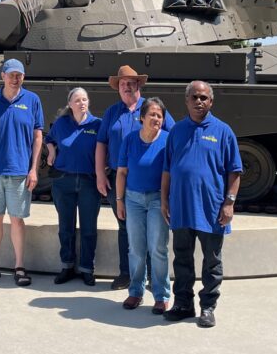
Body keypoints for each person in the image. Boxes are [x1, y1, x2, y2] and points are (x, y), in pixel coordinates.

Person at [162, 80, 242, 328]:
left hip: (211, 209)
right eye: (194, 97)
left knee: (212, 261)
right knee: (182, 259)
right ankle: (183, 304)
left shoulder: (223, 131)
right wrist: (164, 199)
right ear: (186, 100)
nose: (199, 101)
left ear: (211, 101)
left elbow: (235, 171)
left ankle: (208, 306)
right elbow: (167, 169)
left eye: (204, 98)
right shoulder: (176, 131)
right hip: (181, 207)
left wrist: (229, 203)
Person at [96, 65, 175, 290]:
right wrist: (100, 173)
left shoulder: (153, 108)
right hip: (120, 180)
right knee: (126, 228)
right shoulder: (113, 112)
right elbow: (101, 142)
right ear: (118, 88)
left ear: (138, 85)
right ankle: (127, 274)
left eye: (131, 83)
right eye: (123, 84)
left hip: (153, 181)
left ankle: (154, 278)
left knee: (155, 231)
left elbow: (173, 136)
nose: (127, 87)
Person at [0, 58, 44, 287]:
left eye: (19, 75)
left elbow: (37, 137)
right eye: (12, 74)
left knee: (17, 220)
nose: (16, 78)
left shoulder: (32, 100)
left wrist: (33, 169)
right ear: (2, 75)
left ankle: (19, 267)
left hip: (19, 172)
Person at [115, 97, 170, 313]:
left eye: (160, 115)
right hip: (133, 199)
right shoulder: (129, 140)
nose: (156, 118)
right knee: (136, 248)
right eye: (152, 114)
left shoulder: (167, 140)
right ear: (142, 117)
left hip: (158, 198)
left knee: (157, 247)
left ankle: (161, 295)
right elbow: (121, 172)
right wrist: (120, 201)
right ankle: (135, 292)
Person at [46, 87, 101, 286]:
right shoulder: (62, 124)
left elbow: (103, 148)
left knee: (88, 228)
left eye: (85, 99)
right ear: (70, 104)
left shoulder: (97, 124)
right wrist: (51, 152)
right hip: (63, 181)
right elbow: (49, 138)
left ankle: (87, 268)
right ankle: (67, 266)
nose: (82, 103)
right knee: (65, 227)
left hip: (88, 181)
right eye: (77, 100)